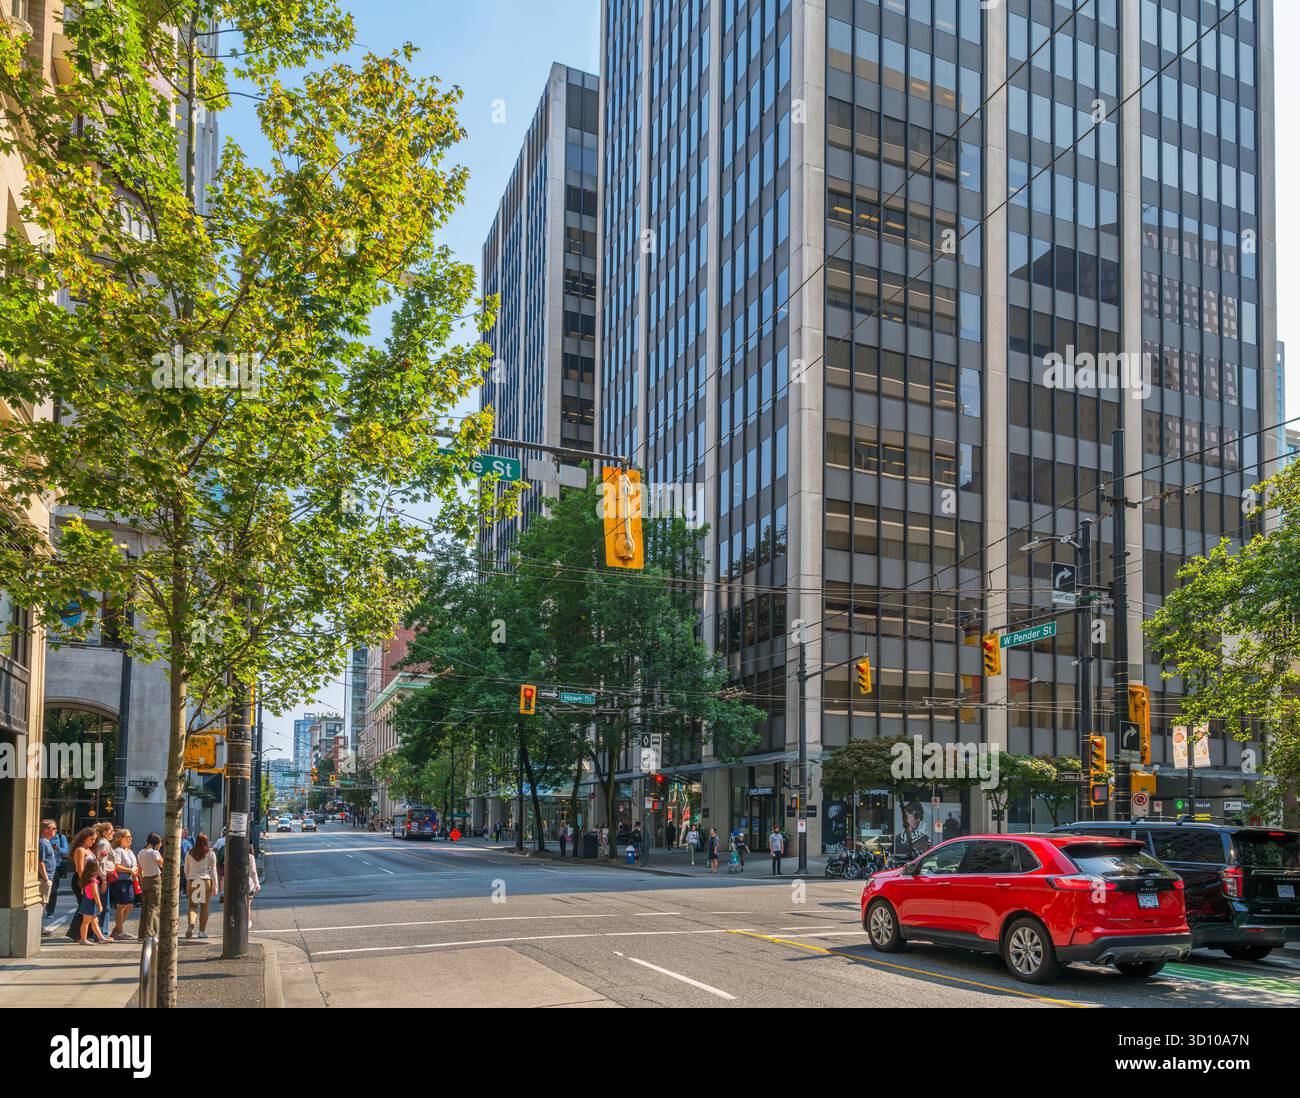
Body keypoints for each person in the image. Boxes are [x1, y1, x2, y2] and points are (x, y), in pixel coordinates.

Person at [69, 827, 108, 944]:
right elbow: (80, 870)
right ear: (84, 838)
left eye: (94, 839)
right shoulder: (80, 850)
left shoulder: (88, 850)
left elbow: (92, 864)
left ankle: (93, 935)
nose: (93, 842)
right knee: (85, 908)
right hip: (83, 880)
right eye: (91, 839)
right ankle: (80, 935)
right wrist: (83, 885)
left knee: (89, 910)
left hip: (89, 880)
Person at [184, 832, 218, 939]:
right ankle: (201, 932)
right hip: (205, 881)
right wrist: (215, 886)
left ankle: (191, 923)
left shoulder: (189, 853)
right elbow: (213, 871)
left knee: (192, 906)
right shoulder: (210, 853)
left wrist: (189, 879)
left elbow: (186, 869)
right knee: (204, 907)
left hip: (193, 881)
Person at [109, 829, 139, 940]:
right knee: (121, 905)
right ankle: (120, 931)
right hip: (119, 881)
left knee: (130, 904)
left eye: (131, 836)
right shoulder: (118, 851)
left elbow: (134, 866)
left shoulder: (129, 851)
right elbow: (116, 866)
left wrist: (135, 873)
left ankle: (117, 929)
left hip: (129, 880)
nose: (130, 838)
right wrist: (130, 870)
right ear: (120, 838)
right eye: (127, 836)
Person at [137, 833, 163, 940]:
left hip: (145, 879)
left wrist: (141, 881)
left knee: (145, 907)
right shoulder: (155, 853)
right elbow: (162, 864)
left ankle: (142, 933)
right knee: (154, 907)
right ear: (155, 843)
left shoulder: (140, 853)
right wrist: (159, 850)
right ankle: (150, 932)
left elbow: (139, 870)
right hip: (155, 879)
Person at [92, 823, 116, 938]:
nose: (113, 833)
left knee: (104, 905)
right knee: (103, 906)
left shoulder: (104, 843)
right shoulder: (103, 844)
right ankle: (101, 933)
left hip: (104, 876)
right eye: (111, 831)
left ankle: (102, 932)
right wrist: (104, 879)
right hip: (103, 877)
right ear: (105, 832)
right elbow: (101, 863)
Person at [38, 820, 58, 935]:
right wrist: (46, 878)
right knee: (41, 903)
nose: (55, 830)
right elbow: (40, 862)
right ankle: (39, 928)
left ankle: (40, 927)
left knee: (43, 903)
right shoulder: (42, 842)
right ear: (45, 830)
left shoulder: (47, 842)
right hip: (44, 878)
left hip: (49, 877)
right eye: (53, 828)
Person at [46, 823, 69, 921]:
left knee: (54, 891)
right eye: (53, 828)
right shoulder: (42, 839)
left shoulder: (60, 837)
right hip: (45, 867)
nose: (55, 830)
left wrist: (57, 848)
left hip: (56, 866)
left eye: (56, 828)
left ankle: (50, 911)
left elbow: (66, 851)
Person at [246, 848, 261, 931]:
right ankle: (247, 922)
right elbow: (253, 872)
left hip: (234, 884)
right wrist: (257, 883)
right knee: (247, 905)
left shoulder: (232, 855)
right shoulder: (250, 857)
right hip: (248, 884)